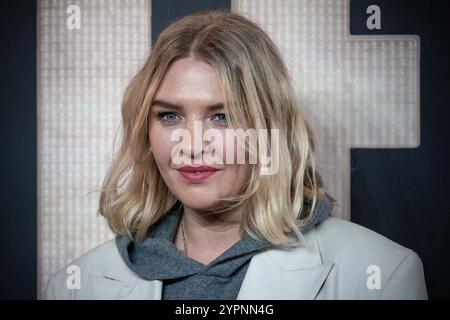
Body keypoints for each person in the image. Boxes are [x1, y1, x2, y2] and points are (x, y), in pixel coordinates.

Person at [45, 10, 427, 300]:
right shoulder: (73, 285)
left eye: (222, 116)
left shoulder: (380, 273)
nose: (192, 145)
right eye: (170, 116)